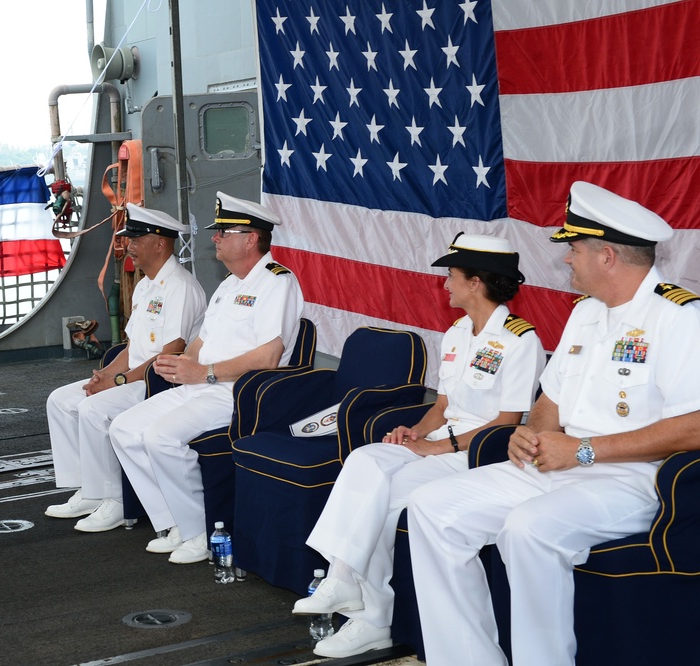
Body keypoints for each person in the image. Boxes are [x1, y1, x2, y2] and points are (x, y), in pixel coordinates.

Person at [407, 181, 700, 666]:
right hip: (560, 464)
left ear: (606, 256)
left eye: (574, 249)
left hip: (634, 478)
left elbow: (693, 426)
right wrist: (533, 431)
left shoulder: (679, 317)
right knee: (432, 506)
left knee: (528, 528)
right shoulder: (586, 313)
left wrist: (583, 451)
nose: (566, 259)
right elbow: (552, 399)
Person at [293, 234, 545, 658]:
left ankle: (369, 616)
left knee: (385, 501)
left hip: (478, 455)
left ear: (476, 282)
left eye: (452, 275)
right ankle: (345, 585)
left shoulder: (521, 341)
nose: (445, 284)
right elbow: (443, 405)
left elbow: (506, 422)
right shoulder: (456, 334)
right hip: (442, 443)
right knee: (365, 459)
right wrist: (415, 431)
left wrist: (438, 446)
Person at [108, 191, 304, 564]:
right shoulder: (229, 285)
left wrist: (204, 372)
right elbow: (201, 342)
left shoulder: (277, 282)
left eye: (224, 231)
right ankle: (173, 522)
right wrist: (178, 363)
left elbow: (269, 356)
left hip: (237, 392)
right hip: (202, 382)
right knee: (123, 428)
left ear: (251, 239)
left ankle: (199, 530)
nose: (214, 237)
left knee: (160, 437)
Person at [44, 203, 206, 532]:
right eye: (128, 238)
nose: (128, 245)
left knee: (92, 409)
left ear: (160, 244)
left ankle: (115, 499)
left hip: (162, 381)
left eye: (135, 238)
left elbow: (170, 353)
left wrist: (117, 380)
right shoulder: (146, 284)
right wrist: (105, 375)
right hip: (133, 375)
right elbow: (132, 347)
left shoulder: (181, 287)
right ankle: (88, 489)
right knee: (60, 400)